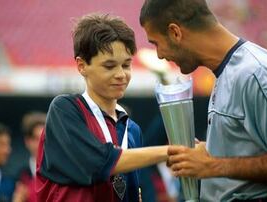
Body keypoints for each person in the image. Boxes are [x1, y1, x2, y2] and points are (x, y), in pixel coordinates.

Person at [140, 0, 267, 201]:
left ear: (175, 32)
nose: (159, 55)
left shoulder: (257, 73)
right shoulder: (228, 72)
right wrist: (204, 154)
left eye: (156, 43)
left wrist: (211, 165)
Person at [36, 14, 169, 202]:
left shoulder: (132, 130)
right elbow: (99, 163)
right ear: (82, 66)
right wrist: (171, 152)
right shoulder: (65, 110)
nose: (121, 74)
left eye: (126, 65)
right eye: (109, 66)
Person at [13, 112, 46, 202]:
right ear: (27, 141)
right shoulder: (18, 177)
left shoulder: (60, 175)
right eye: (36, 139)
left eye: (44, 139)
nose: (41, 144)